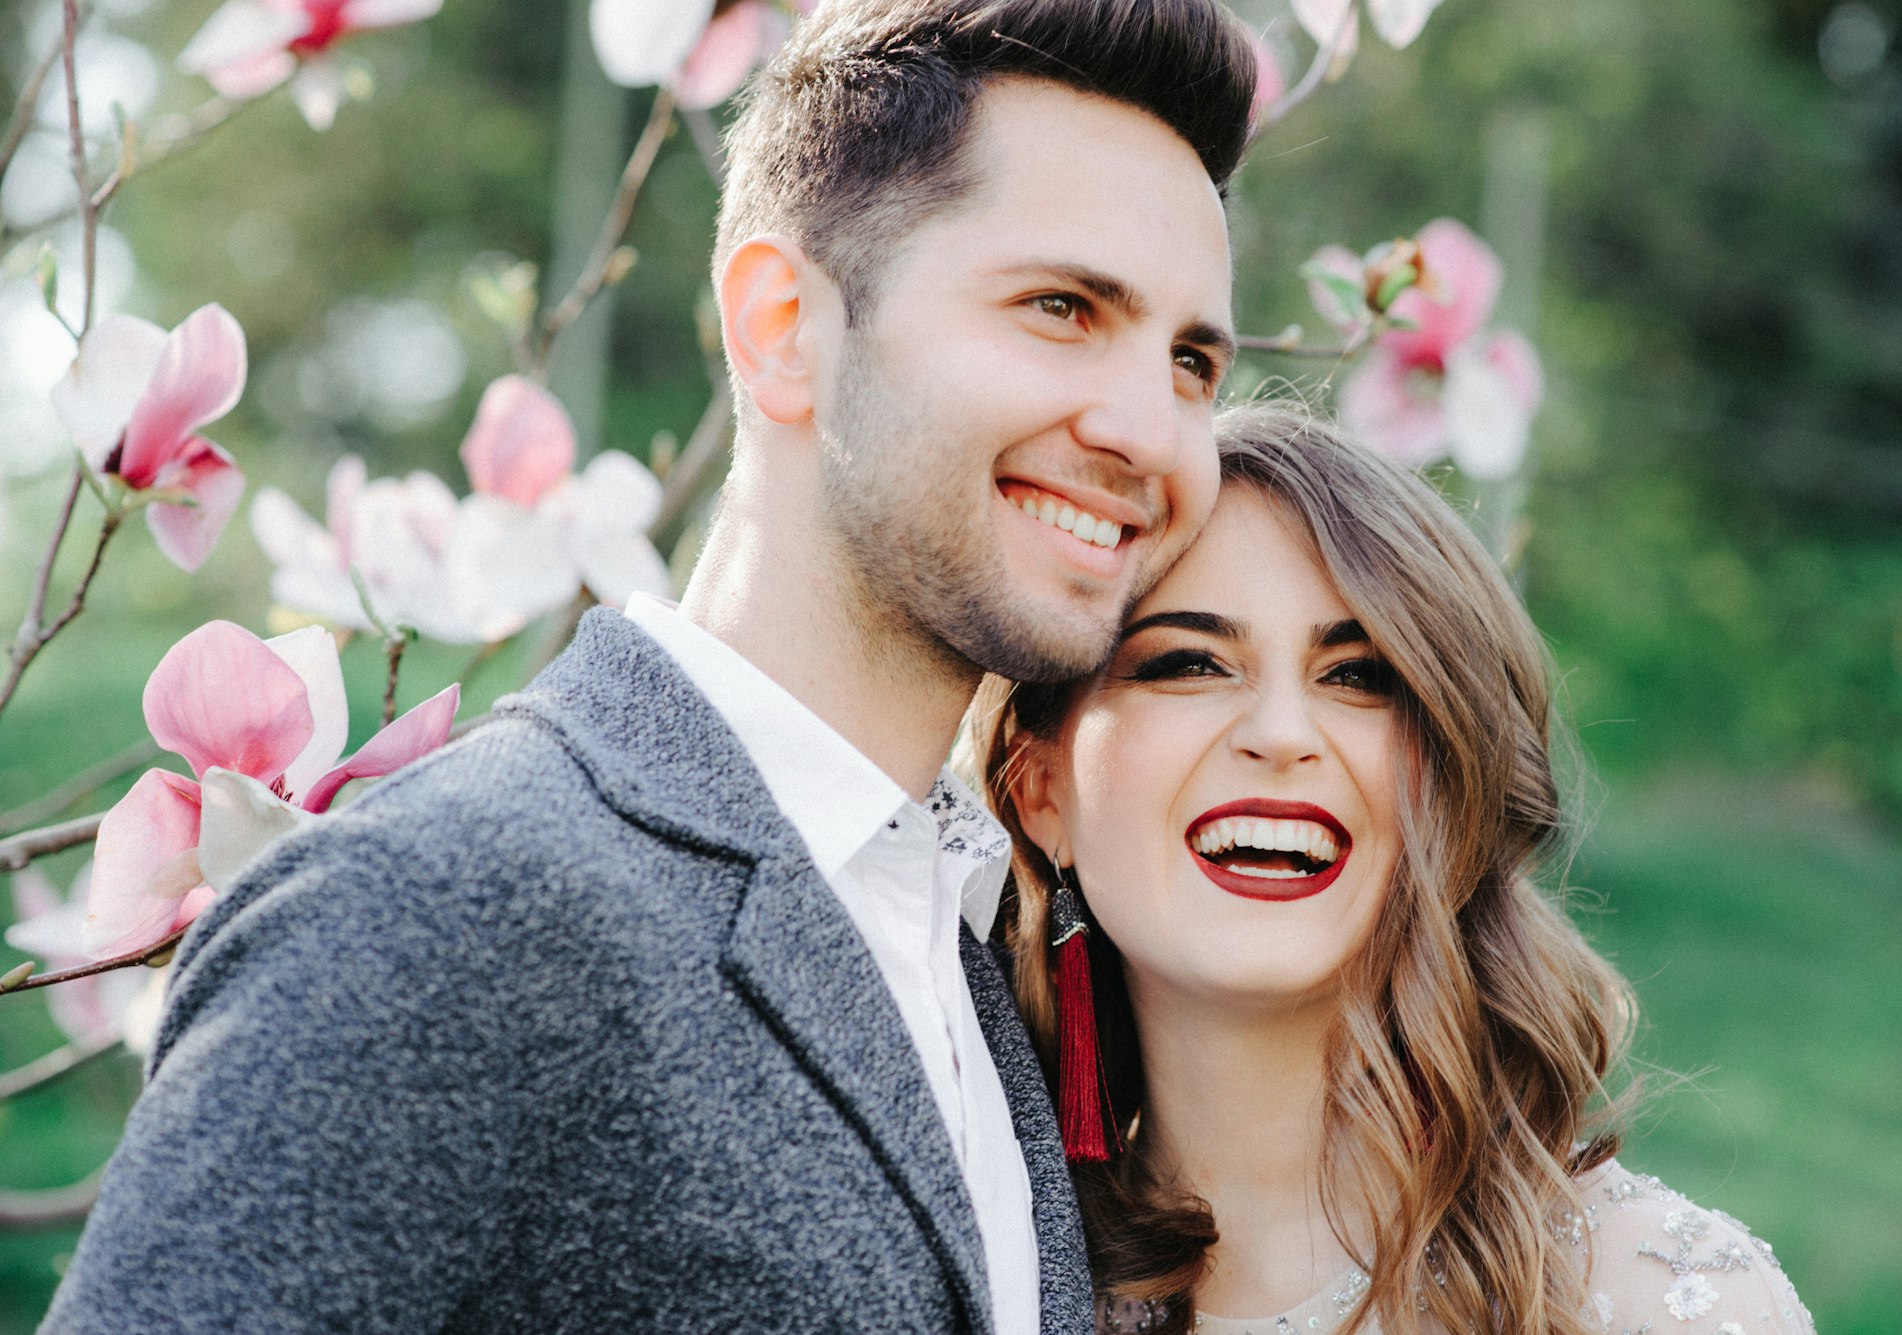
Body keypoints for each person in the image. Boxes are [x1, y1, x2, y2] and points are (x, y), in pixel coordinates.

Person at [41, 3, 1256, 1332]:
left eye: (1192, 359)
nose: (1154, 431)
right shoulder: (435, 915)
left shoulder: (973, 945)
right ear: (785, 324)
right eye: (1062, 307)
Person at [972, 405, 1817, 1335]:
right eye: (1190, 662)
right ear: (1038, 786)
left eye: (1360, 675)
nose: (1282, 735)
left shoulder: (1668, 1303)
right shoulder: (966, 1275)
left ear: (1454, 778)